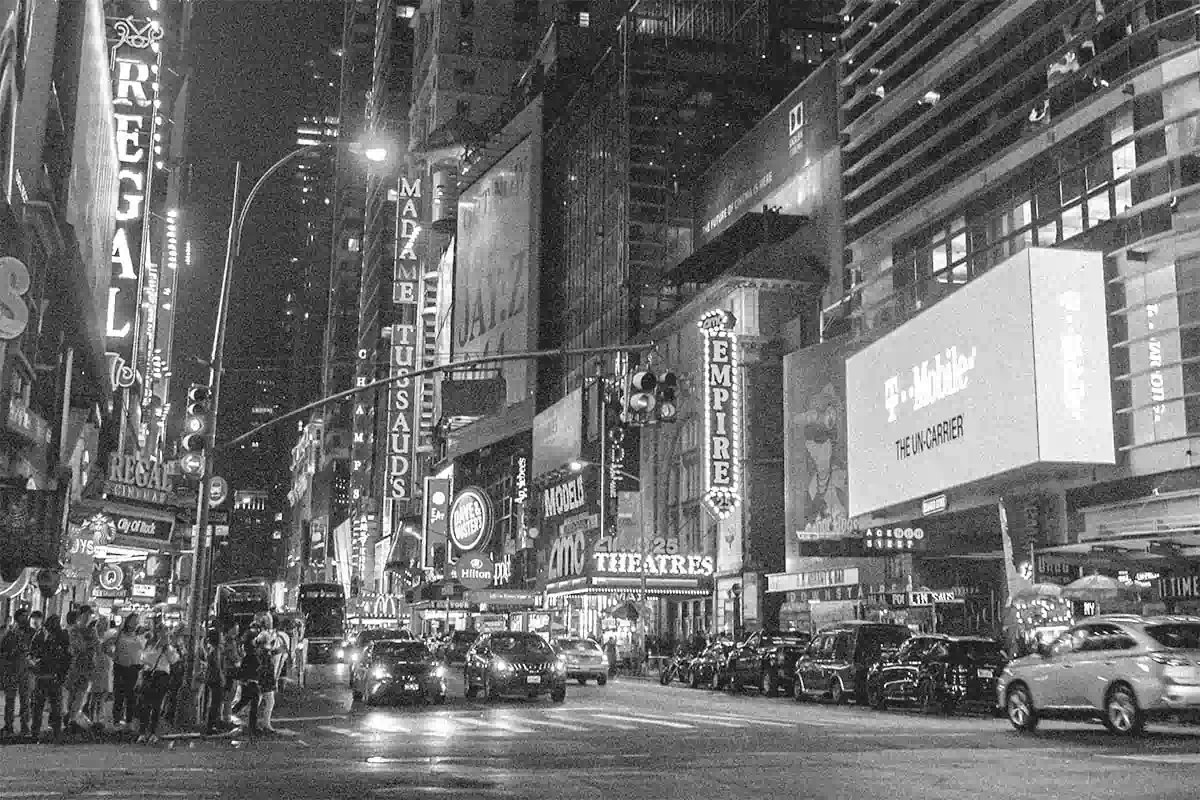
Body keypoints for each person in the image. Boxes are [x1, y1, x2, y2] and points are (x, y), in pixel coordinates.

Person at [29, 614, 69, 742]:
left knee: (52, 706)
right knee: (41, 706)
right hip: (44, 675)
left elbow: (66, 656)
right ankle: (37, 732)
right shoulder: (41, 635)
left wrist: (62, 674)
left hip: (53, 676)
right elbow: (32, 653)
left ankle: (54, 732)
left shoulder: (61, 636)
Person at [136, 629, 179, 744]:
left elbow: (173, 660)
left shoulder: (169, 649)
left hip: (162, 677)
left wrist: (167, 649)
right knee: (145, 705)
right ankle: (142, 732)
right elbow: (144, 659)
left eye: (165, 635)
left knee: (157, 706)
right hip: (150, 676)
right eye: (161, 634)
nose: (163, 637)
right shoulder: (150, 645)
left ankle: (153, 733)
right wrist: (157, 648)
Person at [0, 608, 35, 737]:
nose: (25, 619)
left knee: (25, 700)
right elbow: (3, 651)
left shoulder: (32, 633)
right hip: (12, 670)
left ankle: (25, 726)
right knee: (10, 700)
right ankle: (8, 725)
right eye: (22, 616)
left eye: (26, 616)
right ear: (17, 618)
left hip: (26, 670)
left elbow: (36, 649)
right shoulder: (10, 634)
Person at [65, 606, 100, 732]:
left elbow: (97, 646)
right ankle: (70, 716)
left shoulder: (92, 630)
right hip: (76, 665)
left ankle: (72, 718)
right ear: (80, 615)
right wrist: (90, 643)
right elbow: (79, 646)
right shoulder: (74, 630)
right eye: (86, 614)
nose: (88, 617)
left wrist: (90, 644)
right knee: (73, 692)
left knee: (81, 693)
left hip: (88, 665)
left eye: (90, 615)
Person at [253, 612, 288, 733]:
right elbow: (268, 656)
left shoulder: (260, 640)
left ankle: (256, 722)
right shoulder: (265, 642)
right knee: (269, 700)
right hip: (265, 674)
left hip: (263, 674)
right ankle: (265, 724)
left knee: (261, 698)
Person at [107, 614, 143, 731]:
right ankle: (116, 721)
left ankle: (129, 721)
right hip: (121, 667)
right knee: (119, 695)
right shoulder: (119, 634)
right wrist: (114, 656)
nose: (135, 623)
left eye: (136, 621)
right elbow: (106, 646)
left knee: (131, 696)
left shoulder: (138, 636)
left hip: (134, 668)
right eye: (133, 621)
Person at [90, 619, 117, 730]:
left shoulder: (107, 639)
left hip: (105, 668)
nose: (102, 627)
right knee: (94, 695)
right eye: (100, 625)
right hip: (96, 668)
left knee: (102, 695)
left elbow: (112, 654)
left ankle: (99, 719)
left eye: (104, 625)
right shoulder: (94, 638)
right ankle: (93, 719)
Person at [202, 629, 226, 736]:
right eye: (221, 635)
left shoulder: (210, 648)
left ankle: (212, 725)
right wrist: (222, 677)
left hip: (211, 678)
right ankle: (211, 726)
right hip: (215, 678)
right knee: (216, 702)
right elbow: (217, 665)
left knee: (214, 702)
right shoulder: (216, 650)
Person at [219, 622, 241, 727]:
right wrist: (239, 662)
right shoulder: (229, 641)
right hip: (230, 671)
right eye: (236, 628)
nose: (237, 630)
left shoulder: (225, 640)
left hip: (227, 670)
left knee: (227, 696)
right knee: (228, 696)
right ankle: (226, 719)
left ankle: (226, 718)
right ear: (230, 629)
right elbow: (233, 656)